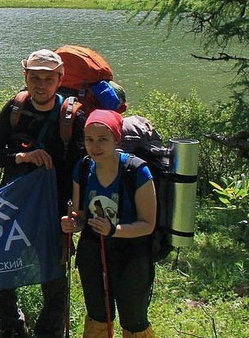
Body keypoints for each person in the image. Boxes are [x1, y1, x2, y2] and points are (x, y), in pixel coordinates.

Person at [0, 49, 87, 338]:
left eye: (48, 79)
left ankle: (48, 333)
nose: (41, 85)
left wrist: (75, 213)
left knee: (54, 280)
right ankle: (13, 326)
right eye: (34, 78)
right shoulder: (15, 109)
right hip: (12, 207)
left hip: (53, 211)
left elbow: (83, 170)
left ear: (60, 78)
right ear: (25, 76)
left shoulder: (73, 117)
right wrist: (22, 157)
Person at [61, 109, 157, 338]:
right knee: (98, 314)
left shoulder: (137, 171)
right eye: (89, 140)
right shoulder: (83, 168)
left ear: (116, 139)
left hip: (132, 254)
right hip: (93, 251)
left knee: (134, 319)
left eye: (103, 140)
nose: (95, 146)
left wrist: (114, 230)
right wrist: (73, 224)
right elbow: (82, 216)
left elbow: (148, 224)